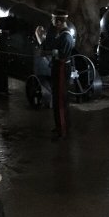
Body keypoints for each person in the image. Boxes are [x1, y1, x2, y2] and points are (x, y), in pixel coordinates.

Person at [38, 10, 76, 139]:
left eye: (54, 21)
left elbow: (60, 54)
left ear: (59, 22)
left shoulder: (66, 37)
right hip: (58, 67)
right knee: (58, 98)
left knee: (60, 100)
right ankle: (61, 126)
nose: (53, 23)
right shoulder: (60, 34)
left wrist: (47, 52)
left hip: (61, 67)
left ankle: (63, 131)